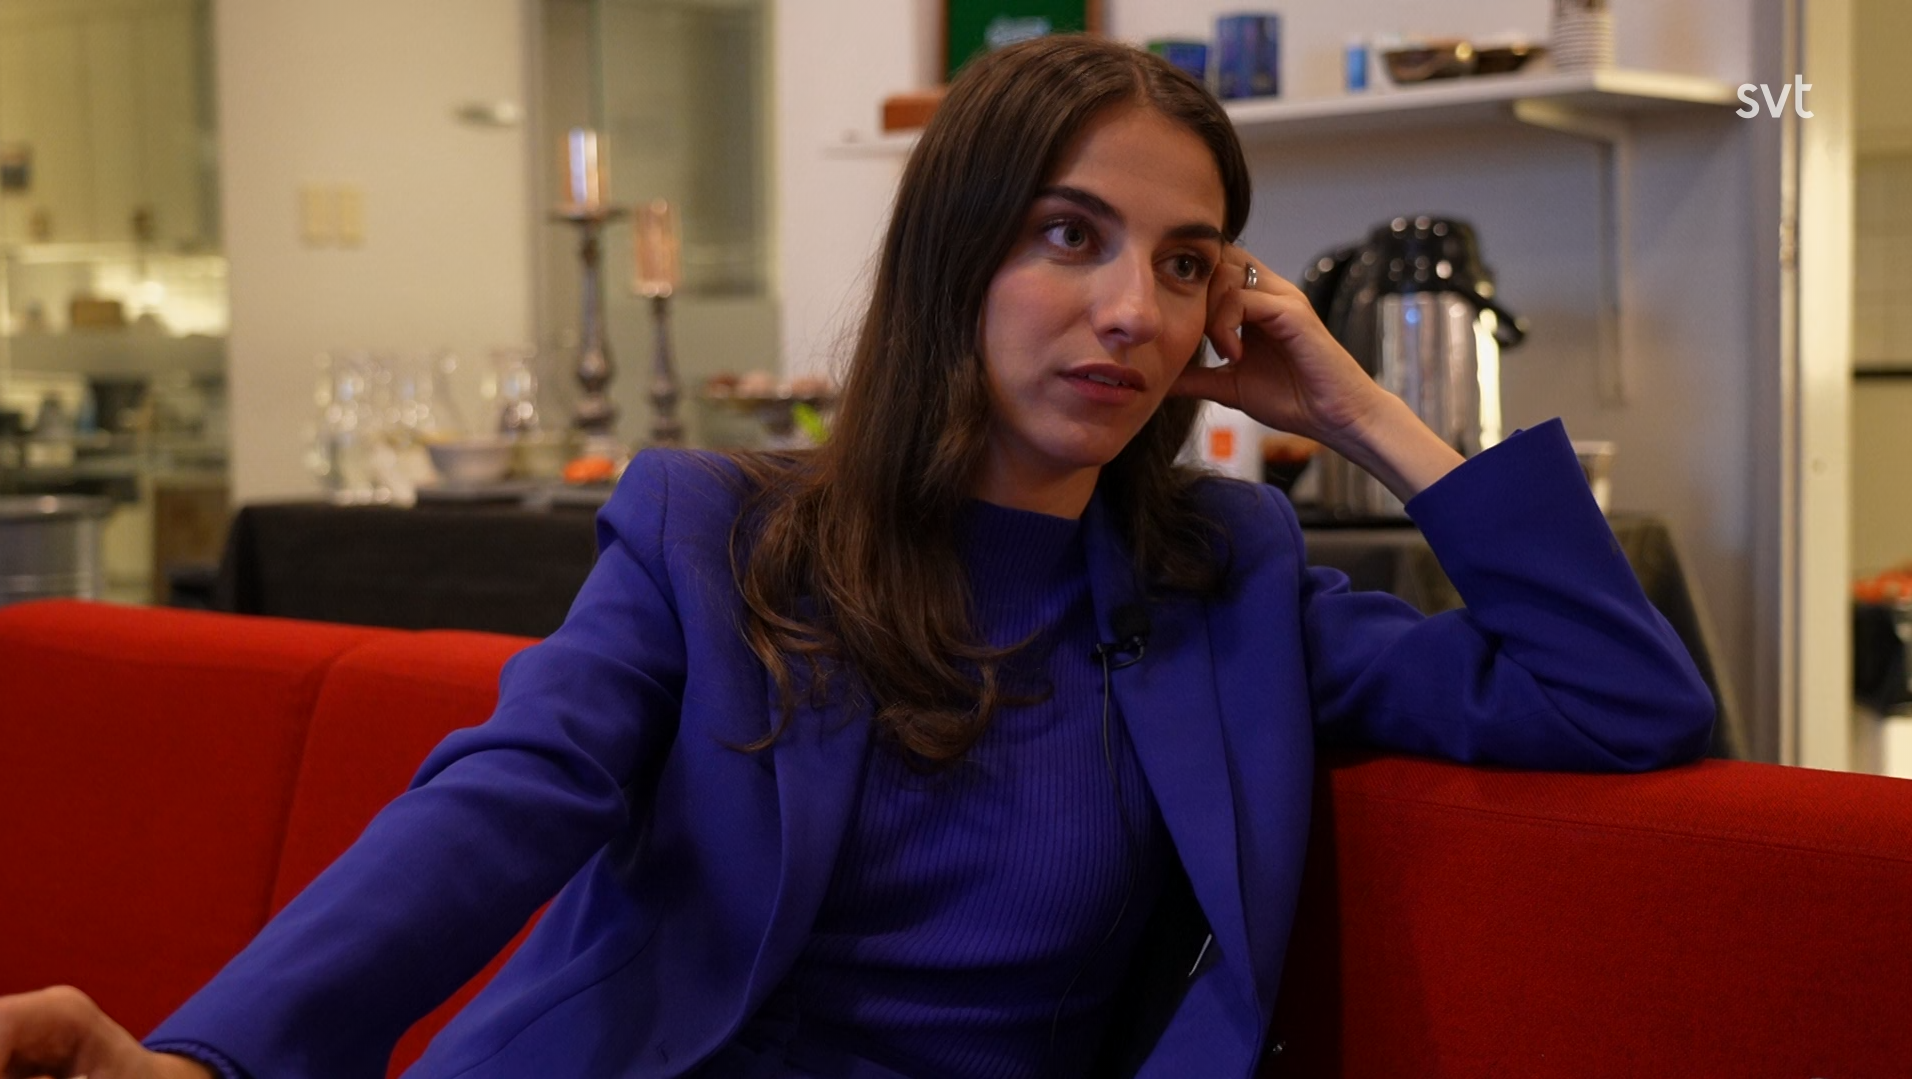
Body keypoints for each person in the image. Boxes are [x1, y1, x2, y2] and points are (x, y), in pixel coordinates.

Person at [0, 34, 1713, 1079]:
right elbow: (499, 799)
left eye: (1187, 261)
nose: (1133, 306)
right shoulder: (713, 533)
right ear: (952, 261)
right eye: (1069, 234)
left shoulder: (1230, 579)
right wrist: (211, 1055)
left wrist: (1363, 412)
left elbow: (1624, 698)